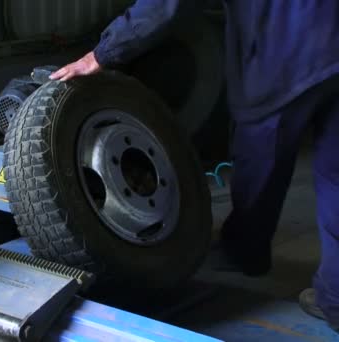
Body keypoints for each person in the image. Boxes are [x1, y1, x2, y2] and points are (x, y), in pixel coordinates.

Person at [50, 0, 339, 331]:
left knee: (261, 159)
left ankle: (245, 252)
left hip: (283, 56)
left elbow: (165, 4)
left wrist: (101, 53)